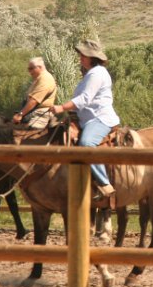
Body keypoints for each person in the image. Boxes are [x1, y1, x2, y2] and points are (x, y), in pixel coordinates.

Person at [51, 39, 119, 201]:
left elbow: (84, 99)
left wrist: (62, 108)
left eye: (84, 55)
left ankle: (104, 185)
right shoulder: (91, 74)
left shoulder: (97, 73)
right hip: (88, 119)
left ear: (92, 57)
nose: (80, 57)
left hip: (100, 119)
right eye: (81, 54)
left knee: (86, 144)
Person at [12, 57, 57, 130]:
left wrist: (20, 114)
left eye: (31, 68)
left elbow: (34, 101)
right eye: (28, 69)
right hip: (32, 113)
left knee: (29, 135)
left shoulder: (45, 79)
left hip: (40, 114)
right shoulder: (39, 79)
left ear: (40, 67)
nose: (30, 71)